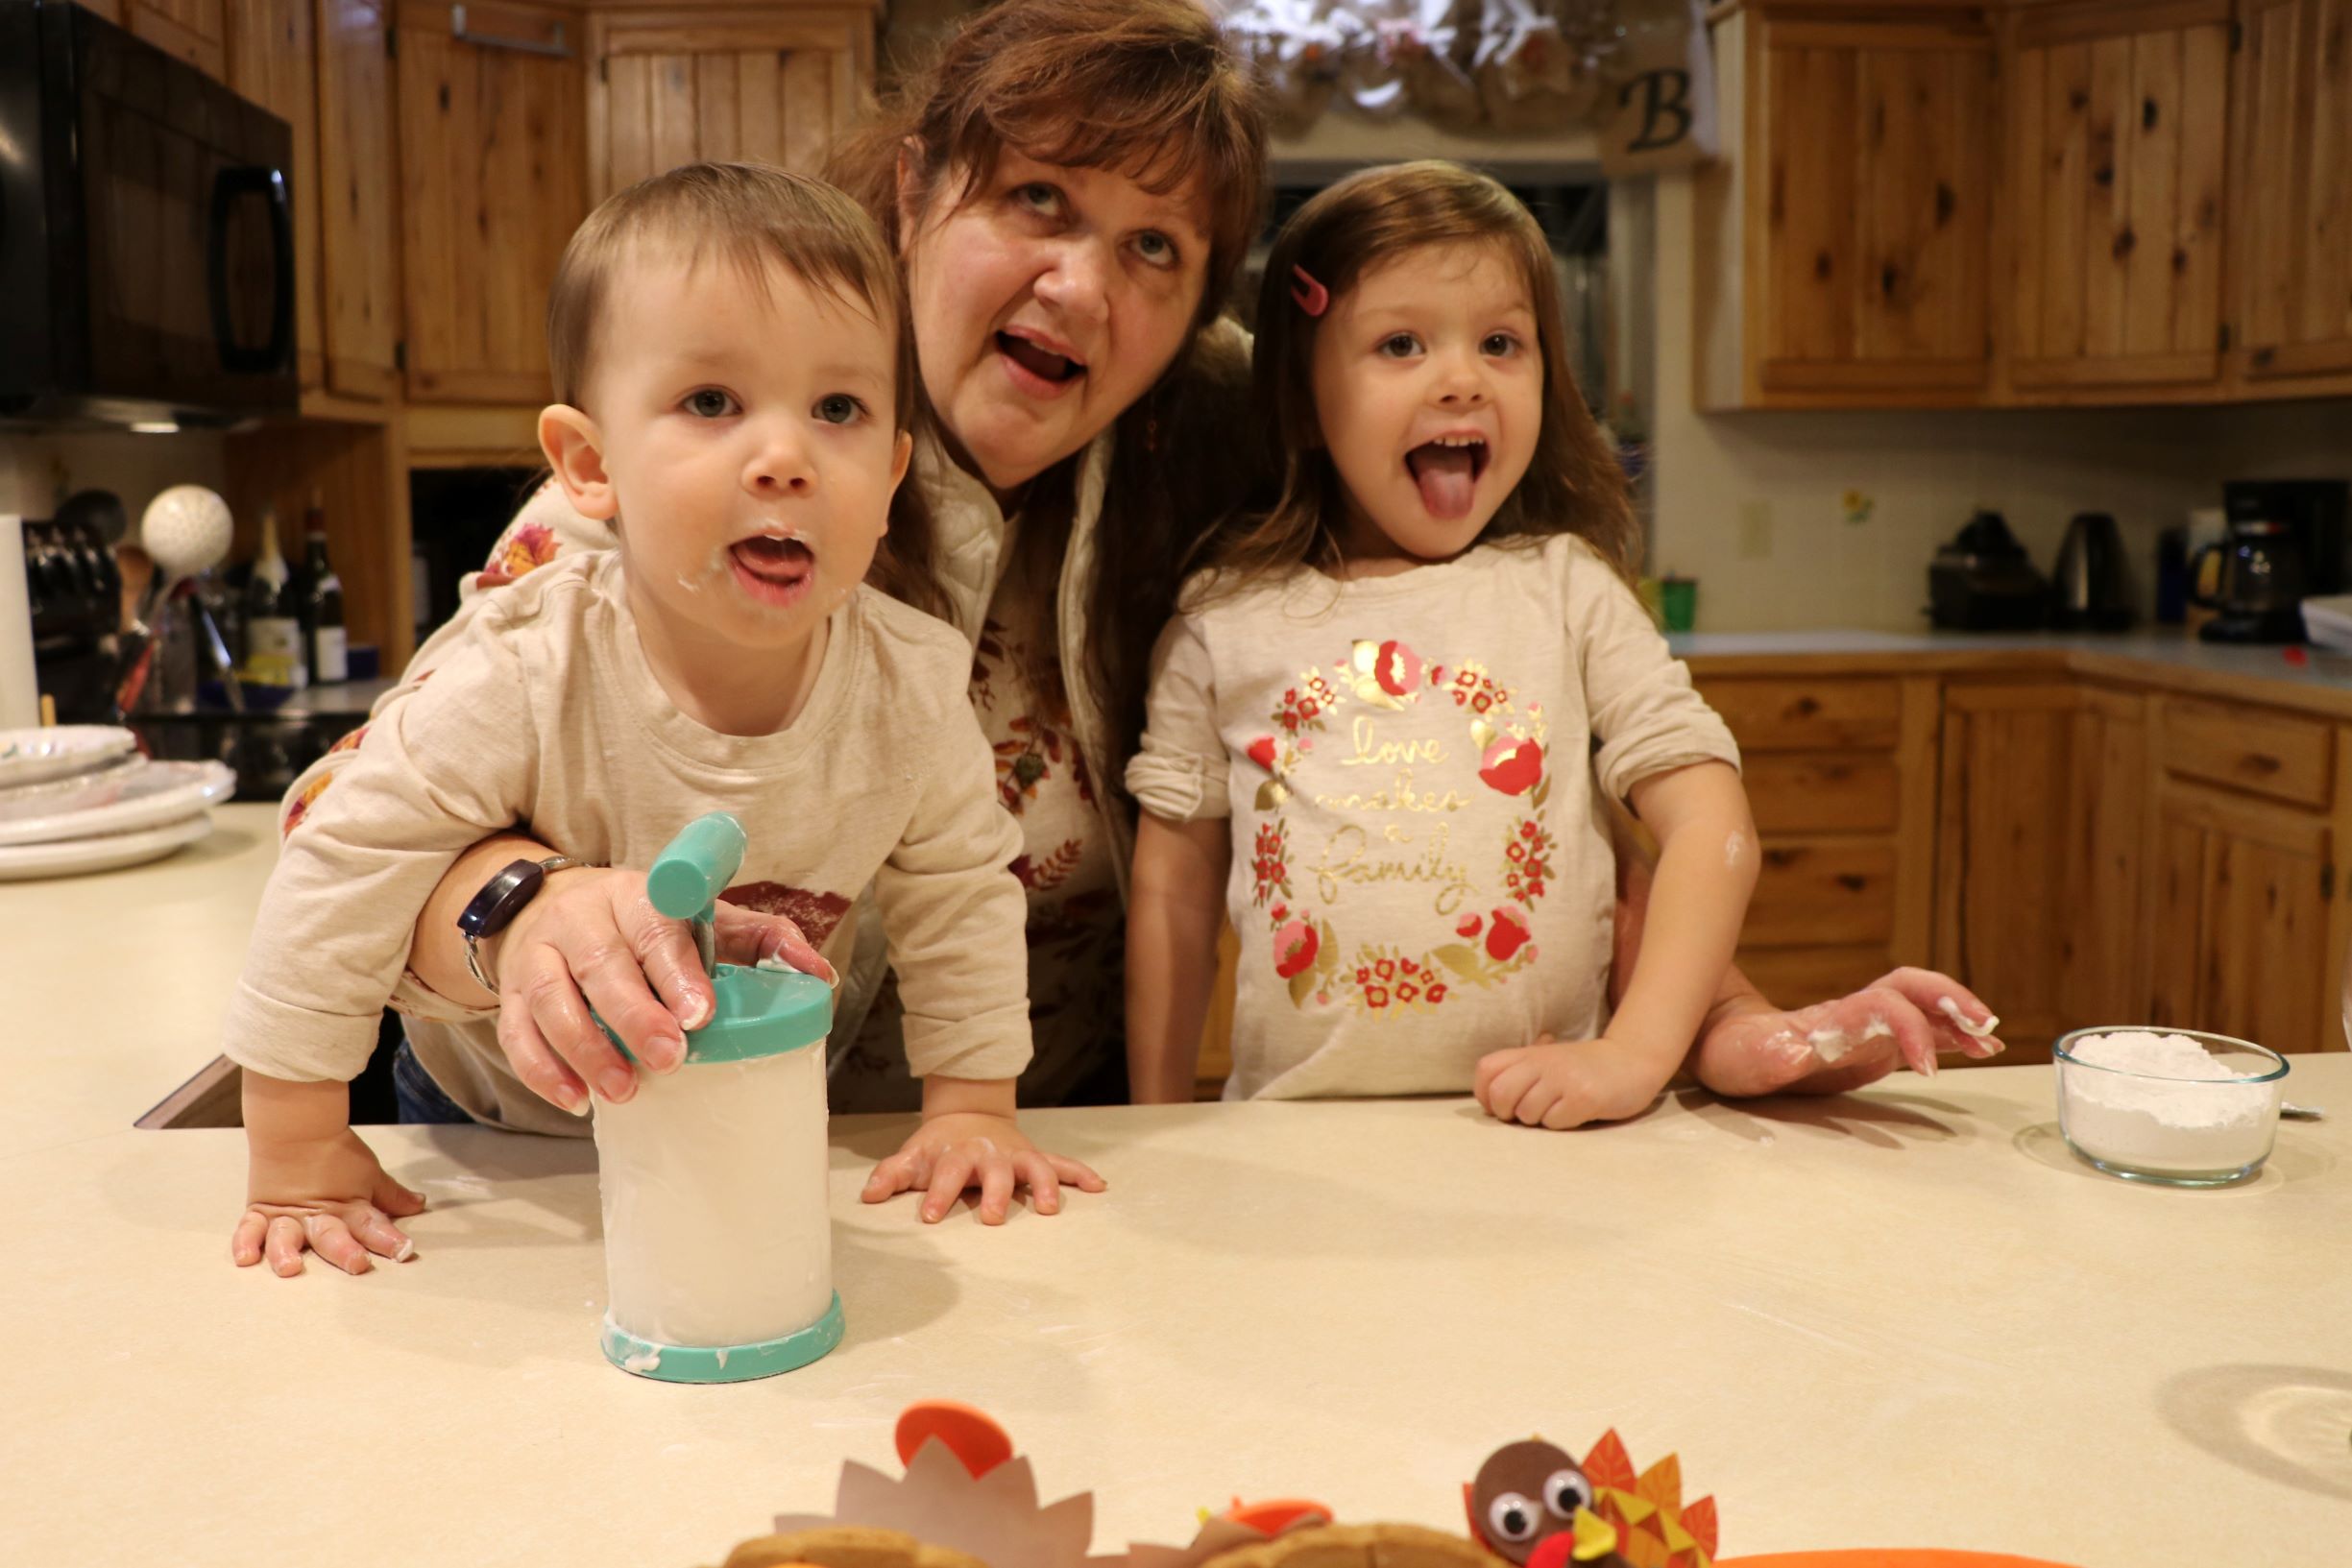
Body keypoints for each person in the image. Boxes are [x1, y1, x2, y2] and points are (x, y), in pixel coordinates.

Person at [286, 2, 2000, 1187]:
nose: (1081, 284)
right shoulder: (711, 451)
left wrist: (1724, 1019)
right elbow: (354, 820)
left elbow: (1479, 776)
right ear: (914, 192)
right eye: (1035, 201)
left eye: (1153, 248)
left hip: (1028, 1169)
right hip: (606, 1172)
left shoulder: (1225, 463)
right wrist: (524, 912)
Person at [226, 165, 1102, 1279]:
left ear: (891, 478)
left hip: (751, 1121)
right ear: (590, 467)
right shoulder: (522, 663)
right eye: (712, 403)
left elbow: (960, 895)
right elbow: (343, 861)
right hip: (501, 1134)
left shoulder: (913, 684)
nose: (784, 458)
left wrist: (972, 1107)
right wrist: (298, 1150)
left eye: (837, 409)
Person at [1124, 160, 1758, 1126]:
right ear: (1301, 401)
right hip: (1291, 1143)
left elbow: (1711, 823)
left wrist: (1633, 1053)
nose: (1461, 379)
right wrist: (1154, 1121)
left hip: (1549, 1136)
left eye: (1501, 342)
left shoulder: (1570, 592)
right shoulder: (1221, 624)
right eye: (1400, 344)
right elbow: (1171, 898)